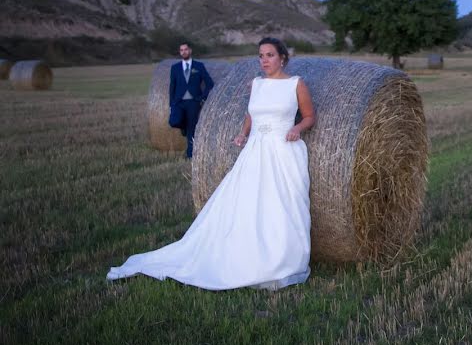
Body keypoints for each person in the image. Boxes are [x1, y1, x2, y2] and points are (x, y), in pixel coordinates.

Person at [108, 37, 316, 290]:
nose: (264, 60)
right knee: (249, 202)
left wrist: (297, 128)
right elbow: (252, 113)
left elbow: (309, 117)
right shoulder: (256, 85)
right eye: (260, 56)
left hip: (283, 150)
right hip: (255, 151)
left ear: (282, 57)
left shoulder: (296, 84)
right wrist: (243, 133)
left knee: (283, 204)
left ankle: (283, 258)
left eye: (269, 55)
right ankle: (247, 253)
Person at [169, 42, 216, 159]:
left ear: (190, 51)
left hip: (193, 102)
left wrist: (202, 98)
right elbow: (172, 86)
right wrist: (172, 103)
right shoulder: (175, 68)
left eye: (185, 49)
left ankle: (190, 154)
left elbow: (210, 83)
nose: (183, 52)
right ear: (180, 52)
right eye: (181, 50)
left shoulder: (199, 66)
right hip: (179, 102)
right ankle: (182, 127)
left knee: (192, 128)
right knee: (174, 121)